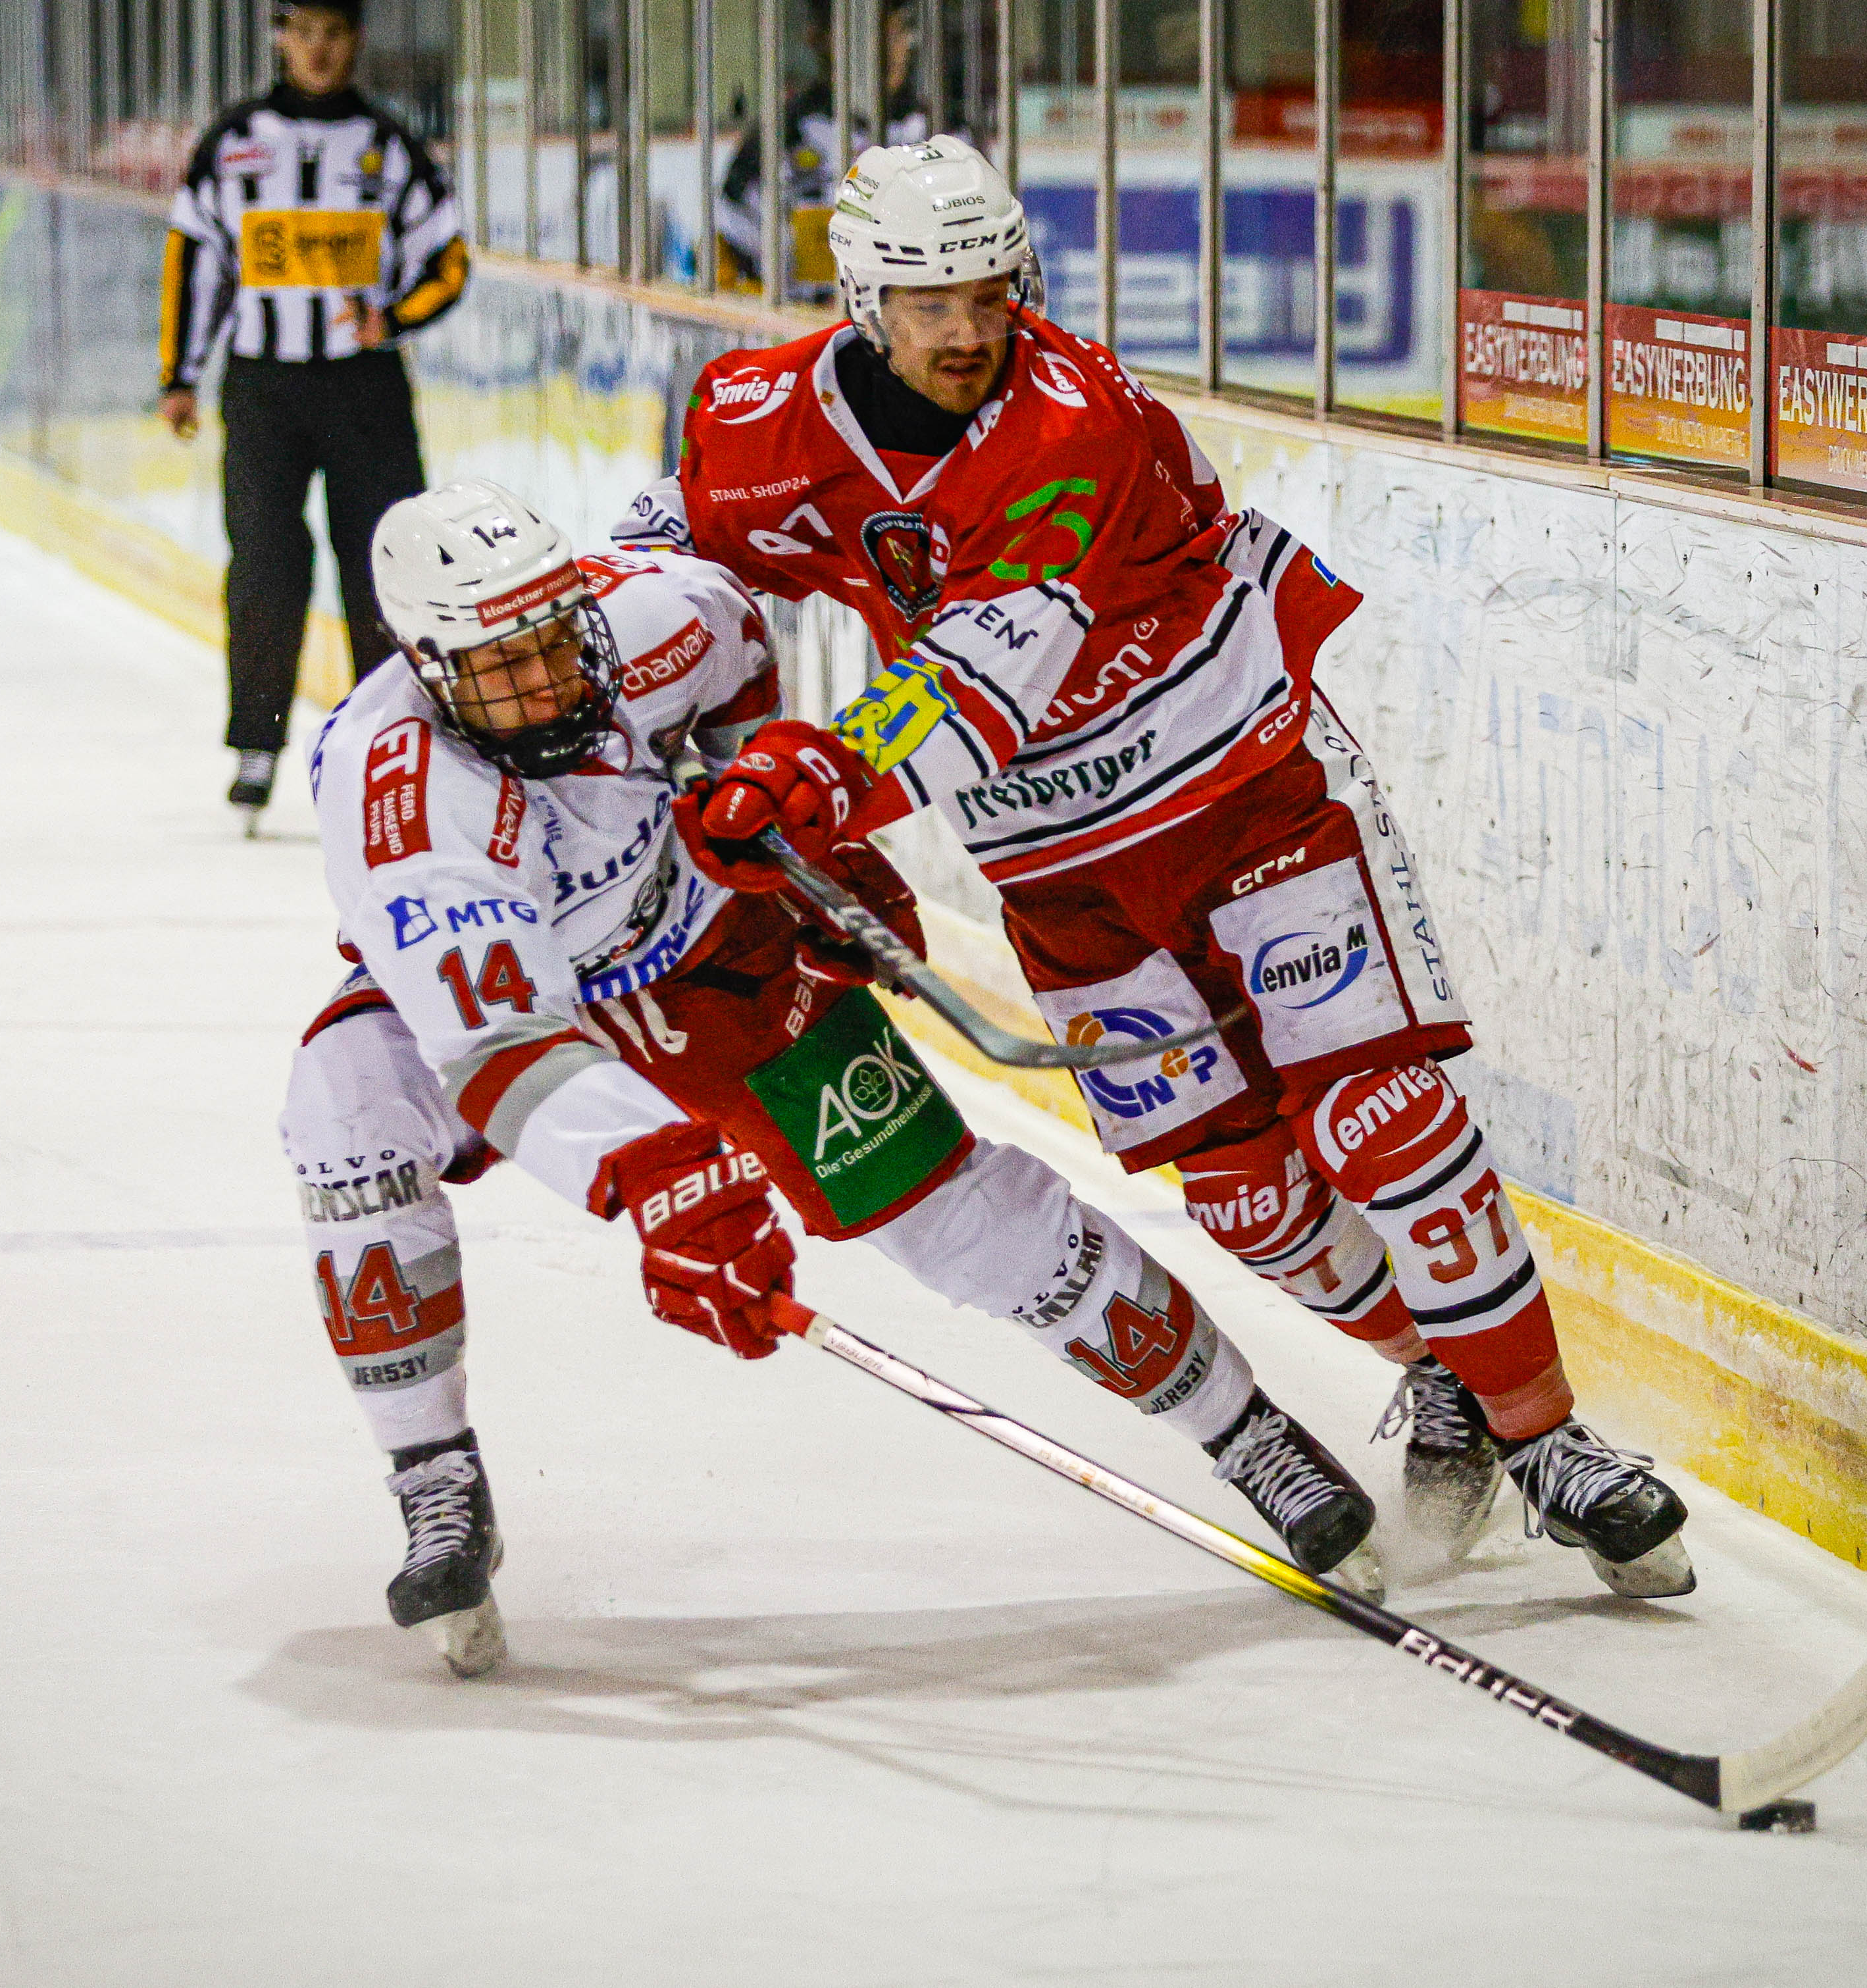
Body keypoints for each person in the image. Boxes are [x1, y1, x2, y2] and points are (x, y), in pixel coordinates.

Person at [621, 136, 1692, 1598]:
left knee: (1378, 1115)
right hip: (1059, 869)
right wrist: (646, 677)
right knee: (1249, 1196)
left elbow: (980, 676)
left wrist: (820, 778)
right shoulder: (759, 417)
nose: (969, 330)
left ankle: (1549, 1441)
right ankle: (1442, 1370)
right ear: (865, 302)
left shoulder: (1073, 421)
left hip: (1240, 790)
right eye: (932, 305)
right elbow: (680, 542)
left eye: (991, 294)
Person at [285, 476, 1388, 1675]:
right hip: (501, 1014)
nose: (550, 679)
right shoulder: (400, 796)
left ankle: (1247, 1433)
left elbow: (738, 680)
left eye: (558, 638)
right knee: (343, 1109)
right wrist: (659, 1178)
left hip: (708, 955)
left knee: (962, 1216)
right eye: (507, 666)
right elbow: (501, 1045)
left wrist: (780, 837)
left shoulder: (663, 615)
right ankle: (435, 1475)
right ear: (428, 665)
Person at [159, 0, 471, 831]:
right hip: (262, 387)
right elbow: (194, 257)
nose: (318, 49)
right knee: (263, 561)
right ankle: (256, 743)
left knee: (384, 566)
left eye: (333, 34)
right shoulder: (233, 142)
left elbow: (448, 257)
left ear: (355, 42)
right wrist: (179, 375)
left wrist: (392, 319)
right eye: (304, 33)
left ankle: (386, 746)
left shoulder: (390, 145)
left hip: (364, 388)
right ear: (280, 40)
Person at [713, 0, 933, 293]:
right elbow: (731, 252)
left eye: (898, 31)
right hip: (809, 317)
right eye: (867, 30)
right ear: (820, 38)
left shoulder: (939, 132)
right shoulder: (778, 138)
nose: (887, 48)